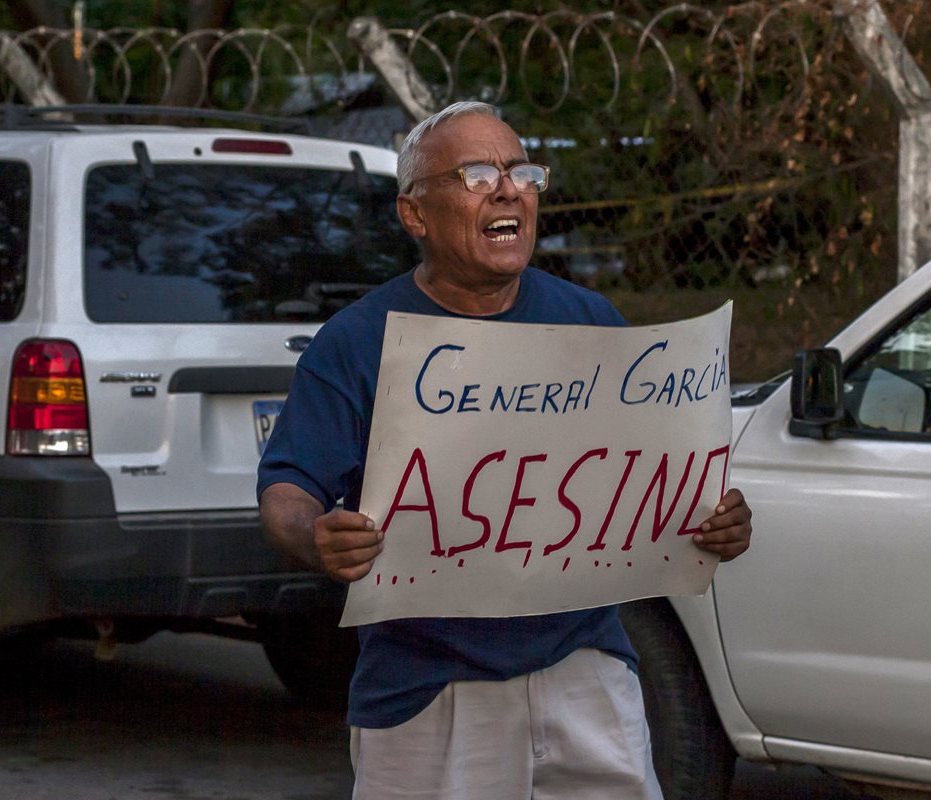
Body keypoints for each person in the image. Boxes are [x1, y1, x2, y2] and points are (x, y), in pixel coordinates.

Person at [257, 101, 753, 800]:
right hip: (429, 687)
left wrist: (713, 520)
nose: (507, 189)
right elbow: (287, 488)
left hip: (587, 667)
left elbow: (649, 482)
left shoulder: (592, 323)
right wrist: (315, 536)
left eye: (522, 171)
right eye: (477, 173)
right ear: (414, 214)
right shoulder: (359, 340)